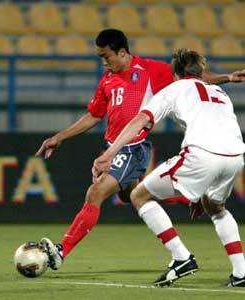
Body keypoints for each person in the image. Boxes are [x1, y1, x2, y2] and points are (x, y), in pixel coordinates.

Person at [35, 29, 245, 273]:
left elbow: (193, 79)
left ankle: (61, 251)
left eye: (106, 56)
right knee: (135, 196)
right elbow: (94, 115)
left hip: (132, 147)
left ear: (122, 52)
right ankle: (192, 196)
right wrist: (59, 137)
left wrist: (227, 77)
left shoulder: (150, 69)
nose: (104, 62)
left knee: (96, 192)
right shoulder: (107, 79)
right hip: (115, 146)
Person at [93, 48, 245, 287]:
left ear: (175, 74)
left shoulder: (173, 88)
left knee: (139, 195)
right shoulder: (218, 91)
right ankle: (241, 273)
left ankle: (181, 258)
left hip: (202, 155)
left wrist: (110, 153)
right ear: (200, 72)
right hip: (236, 156)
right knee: (215, 206)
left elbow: (140, 120)